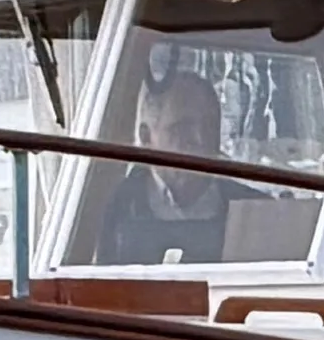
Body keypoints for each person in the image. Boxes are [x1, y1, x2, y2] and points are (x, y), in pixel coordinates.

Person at [87, 67, 235, 265]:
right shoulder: (108, 209)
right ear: (146, 137)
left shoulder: (254, 209)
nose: (200, 139)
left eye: (210, 126)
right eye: (182, 128)